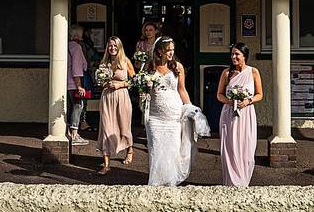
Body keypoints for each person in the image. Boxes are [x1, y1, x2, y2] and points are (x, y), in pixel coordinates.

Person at [144, 36, 210, 186]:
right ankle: (156, 182)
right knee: (156, 148)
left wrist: (192, 109)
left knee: (172, 149)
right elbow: (144, 89)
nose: (171, 53)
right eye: (168, 50)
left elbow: (182, 90)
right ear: (159, 51)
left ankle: (170, 181)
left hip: (173, 114)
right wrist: (144, 88)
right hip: (155, 116)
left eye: (173, 50)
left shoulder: (177, 67)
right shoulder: (150, 67)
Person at [216, 42, 262, 186]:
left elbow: (260, 94)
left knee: (246, 148)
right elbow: (219, 95)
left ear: (244, 56)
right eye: (232, 54)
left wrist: (248, 101)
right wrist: (230, 102)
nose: (234, 57)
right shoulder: (227, 73)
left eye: (237, 54)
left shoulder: (253, 72)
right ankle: (231, 182)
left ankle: (243, 182)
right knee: (230, 148)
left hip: (246, 114)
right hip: (229, 114)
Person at [95, 36, 135, 174]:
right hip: (107, 98)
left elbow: (134, 81)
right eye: (110, 46)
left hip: (122, 97)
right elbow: (99, 81)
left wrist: (120, 84)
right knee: (106, 128)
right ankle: (106, 164)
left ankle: (130, 149)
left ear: (119, 48)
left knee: (124, 127)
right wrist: (103, 83)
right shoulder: (103, 63)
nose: (112, 48)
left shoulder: (125, 62)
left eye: (115, 46)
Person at [66, 24, 89, 146]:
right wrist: (79, 86)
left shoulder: (67, 46)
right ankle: (74, 135)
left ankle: (69, 133)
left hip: (66, 83)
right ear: (77, 35)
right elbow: (76, 69)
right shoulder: (76, 48)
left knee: (70, 108)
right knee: (77, 107)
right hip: (74, 84)